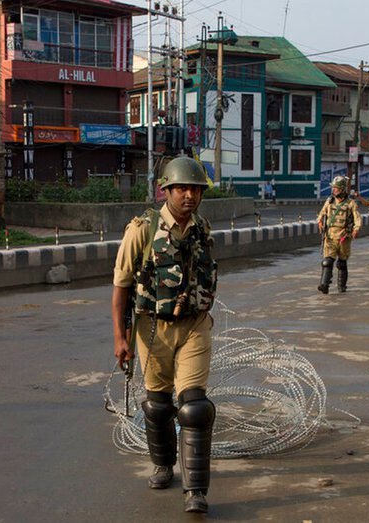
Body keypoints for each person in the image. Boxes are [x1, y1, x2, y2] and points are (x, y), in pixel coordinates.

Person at [111, 156, 218, 514]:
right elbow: (121, 287)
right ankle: (162, 465)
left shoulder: (202, 228)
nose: (189, 195)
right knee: (158, 406)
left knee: (194, 407)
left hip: (194, 325)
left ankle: (196, 490)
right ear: (166, 190)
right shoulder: (142, 230)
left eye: (195, 189)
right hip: (152, 328)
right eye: (182, 189)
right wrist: (120, 338)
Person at [316, 175, 361, 294]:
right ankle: (324, 284)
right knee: (327, 261)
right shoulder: (329, 201)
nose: (333, 190)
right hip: (330, 236)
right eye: (333, 188)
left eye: (335, 188)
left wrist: (356, 229)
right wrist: (319, 220)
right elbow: (322, 213)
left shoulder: (350, 203)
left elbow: (357, 218)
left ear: (341, 189)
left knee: (341, 263)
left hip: (344, 237)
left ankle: (342, 286)